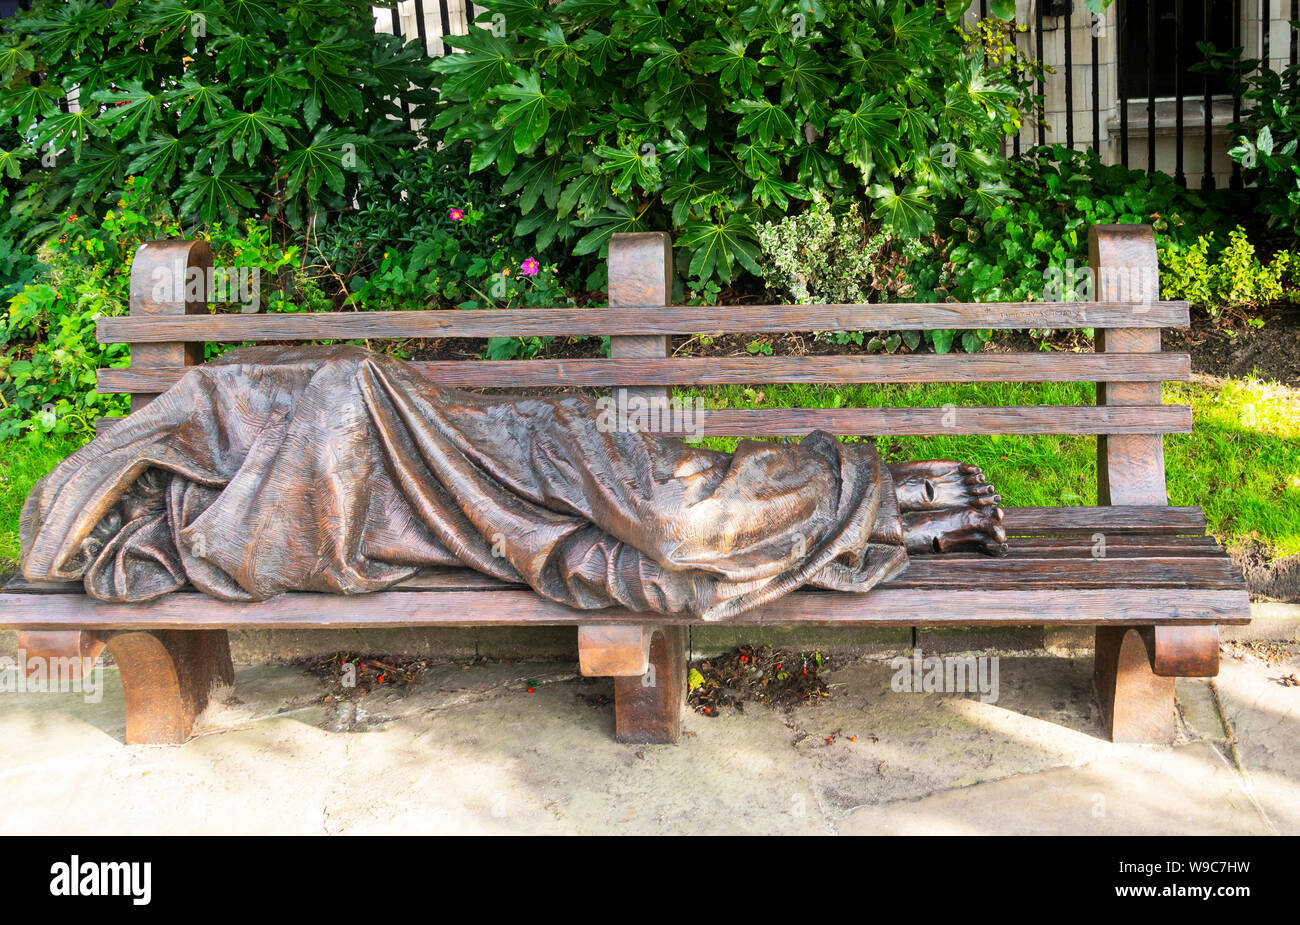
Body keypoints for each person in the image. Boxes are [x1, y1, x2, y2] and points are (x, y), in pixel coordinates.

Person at [20, 346, 1006, 621]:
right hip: (480, 534)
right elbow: (67, 552)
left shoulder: (218, 404)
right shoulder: (205, 533)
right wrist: (190, 530)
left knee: (674, 519)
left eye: (122, 506)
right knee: (661, 581)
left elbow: (350, 390)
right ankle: (893, 522)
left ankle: (865, 484)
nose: (130, 527)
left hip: (504, 449)